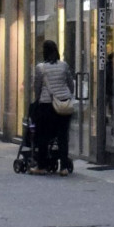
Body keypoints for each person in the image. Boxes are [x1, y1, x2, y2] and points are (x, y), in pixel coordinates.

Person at [29, 40, 75, 174]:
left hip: (47, 105)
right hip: (64, 105)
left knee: (42, 135)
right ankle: (64, 167)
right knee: (62, 136)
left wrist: (37, 100)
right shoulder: (64, 66)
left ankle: (42, 166)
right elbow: (70, 84)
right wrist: (66, 96)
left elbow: (37, 87)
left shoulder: (40, 68)